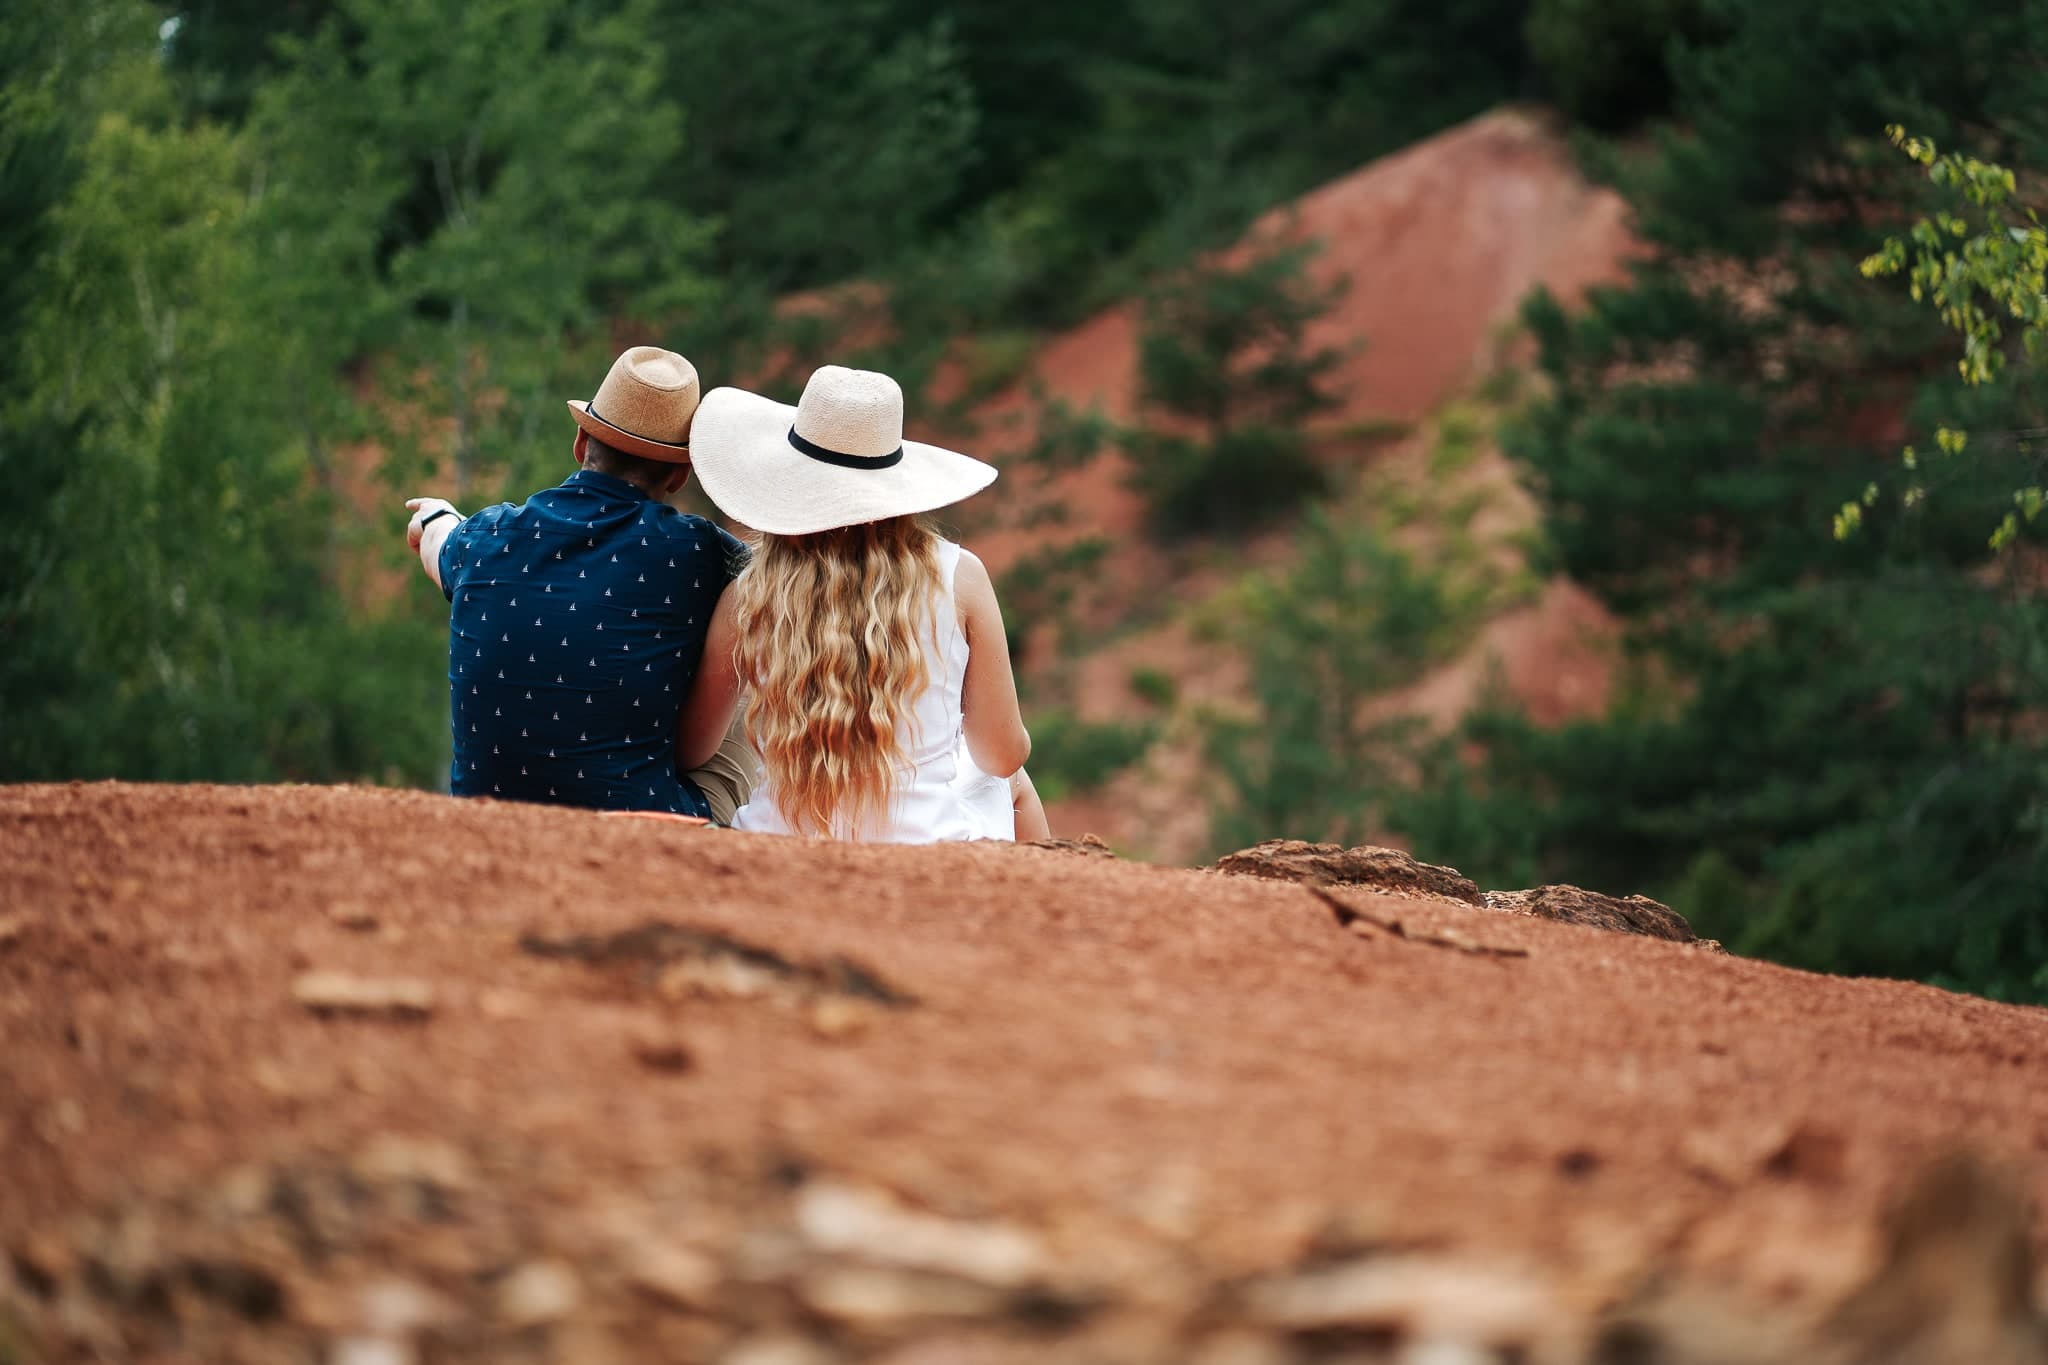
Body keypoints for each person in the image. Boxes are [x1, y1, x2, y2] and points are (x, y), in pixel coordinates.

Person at [678, 364, 1050, 842]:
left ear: (789, 476)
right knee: (1013, 782)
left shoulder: (748, 592)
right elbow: (1002, 754)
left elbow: (693, 749)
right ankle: (1047, 913)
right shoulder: (961, 578)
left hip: (776, 840)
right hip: (924, 844)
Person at [401, 346, 756, 823]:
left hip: (483, 829)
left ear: (580, 441)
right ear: (678, 475)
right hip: (651, 824)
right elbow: (772, 585)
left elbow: (435, 542)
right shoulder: (705, 555)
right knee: (746, 626)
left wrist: (438, 516)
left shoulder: (484, 536)